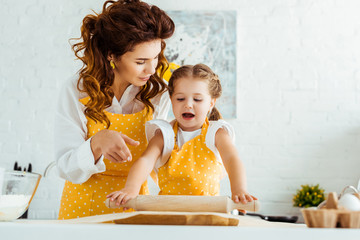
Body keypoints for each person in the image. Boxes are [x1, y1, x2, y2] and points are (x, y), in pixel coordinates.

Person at [54, 0, 175, 219]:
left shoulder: (159, 94)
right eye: (141, 61)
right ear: (111, 55)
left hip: (134, 206)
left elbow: (157, 160)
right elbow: (64, 167)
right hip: (82, 209)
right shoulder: (77, 90)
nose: (151, 69)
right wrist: (96, 144)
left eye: (155, 57)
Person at [107, 64, 257, 208]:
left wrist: (239, 190)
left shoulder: (216, 132)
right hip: (169, 211)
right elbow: (145, 160)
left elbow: (232, 159)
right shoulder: (163, 134)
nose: (188, 105)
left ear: (211, 102)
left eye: (197, 99)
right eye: (180, 99)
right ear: (171, 100)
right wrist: (131, 189)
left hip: (208, 211)